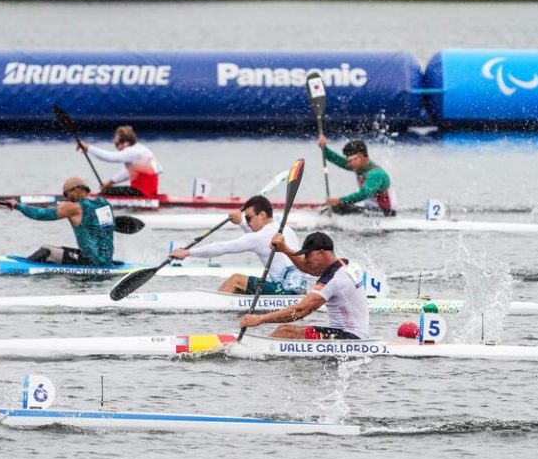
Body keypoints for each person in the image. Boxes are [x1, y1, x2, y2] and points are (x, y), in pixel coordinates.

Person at [239, 231, 369, 340]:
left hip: (349, 339)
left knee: (285, 333)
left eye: (308, 254)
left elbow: (300, 311)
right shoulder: (343, 264)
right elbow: (309, 269)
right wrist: (285, 249)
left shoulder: (334, 279)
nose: (305, 260)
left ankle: (256, 346)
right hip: (350, 334)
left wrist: (260, 319)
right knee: (284, 329)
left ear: (321, 253)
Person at [169, 195, 307, 295]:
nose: (247, 222)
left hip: (285, 293)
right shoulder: (286, 229)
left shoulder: (260, 236)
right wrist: (241, 222)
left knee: (236, 280)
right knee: (240, 289)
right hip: (299, 291)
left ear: (262, 215)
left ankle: (215, 310)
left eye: (248, 217)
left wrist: (188, 252)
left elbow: (223, 247)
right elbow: (256, 238)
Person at [6, 176, 115, 266]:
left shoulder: (74, 207)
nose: (66, 198)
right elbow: (106, 228)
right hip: (106, 261)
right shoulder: (103, 204)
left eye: (66, 194)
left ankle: (22, 268)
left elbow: (39, 214)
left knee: (47, 251)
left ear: (75, 191)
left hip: (90, 262)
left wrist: (17, 205)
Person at [318, 135, 395, 216]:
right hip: (371, 211)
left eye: (350, 160)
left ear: (360, 155)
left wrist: (340, 200)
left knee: (337, 207)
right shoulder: (360, 166)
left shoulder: (376, 174)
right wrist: (324, 148)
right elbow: (338, 160)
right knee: (335, 207)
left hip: (385, 213)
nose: (349, 164)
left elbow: (364, 194)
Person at [77, 125, 163, 198]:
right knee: (108, 191)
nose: (116, 147)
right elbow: (128, 171)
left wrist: (88, 148)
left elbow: (109, 157)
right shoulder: (141, 149)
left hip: (141, 193)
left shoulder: (133, 152)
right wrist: (110, 182)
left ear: (126, 143)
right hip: (146, 192)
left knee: (104, 194)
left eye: (116, 144)